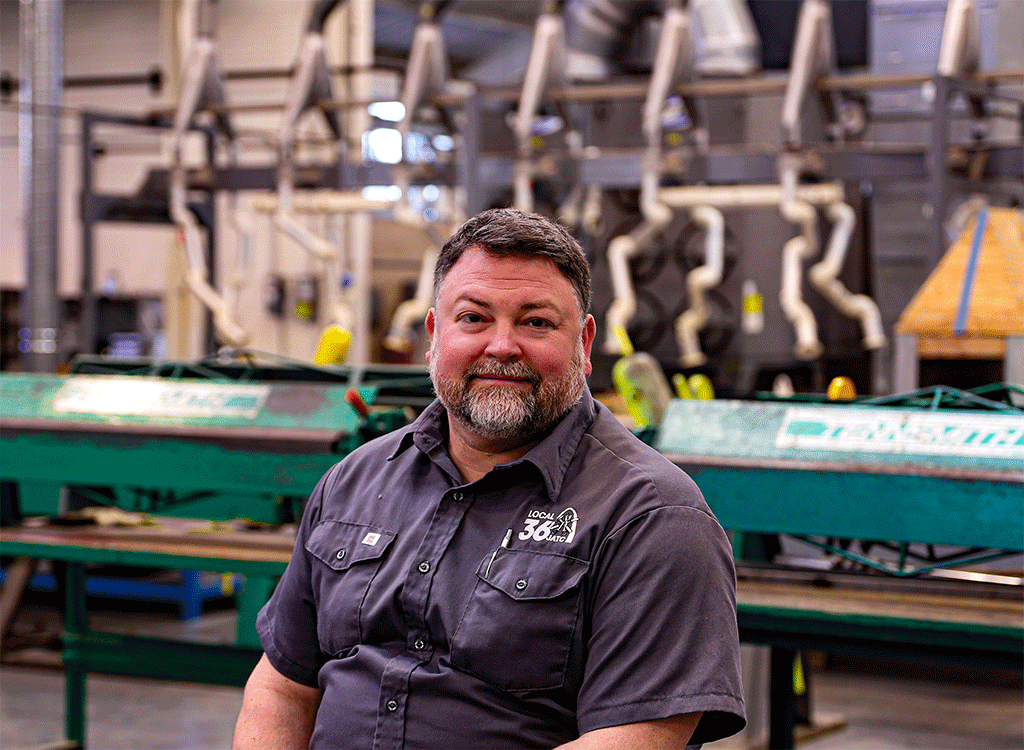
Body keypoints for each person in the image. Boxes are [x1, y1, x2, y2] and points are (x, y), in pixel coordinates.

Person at [233, 208, 746, 750]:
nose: (502, 346)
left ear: (585, 343)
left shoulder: (651, 516)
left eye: (536, 322)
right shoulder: (354, 480)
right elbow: (281, 689)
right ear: (434, 334)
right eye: (474, 318)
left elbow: (637, 738)